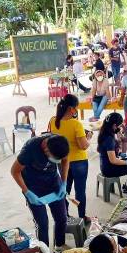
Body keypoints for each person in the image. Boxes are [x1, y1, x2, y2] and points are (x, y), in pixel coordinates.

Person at [11, 134, 70, 253]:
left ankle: (59, 247)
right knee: (42, 223)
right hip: (33, 187)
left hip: (53, 182)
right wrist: (27, 192)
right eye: (54, 158)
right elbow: (15, 171)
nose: (57, 161)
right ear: (46, 150)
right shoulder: (30, 150)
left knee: (62, 218)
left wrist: (63, 183)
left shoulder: (59, 143)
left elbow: (65, 161)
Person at [48, 94, 91, 224]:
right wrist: (88, 137)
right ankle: (82, 216)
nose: (76, 111)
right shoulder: (76, 124)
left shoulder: (53, 121)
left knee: (65, 189)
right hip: (79, 162)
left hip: (62, 162)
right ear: (72, 109)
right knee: (80, 191)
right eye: (76, 108)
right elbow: (83, 146)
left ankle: (64, 216)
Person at [98, 112, 127, 188]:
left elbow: (116, 146)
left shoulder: (105, 132)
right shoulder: (109, 139)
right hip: (109, 169)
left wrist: (124, 155)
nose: (120, 128)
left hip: (105, 165)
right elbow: (113, 160)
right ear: (114, 125)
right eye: (119, 125)